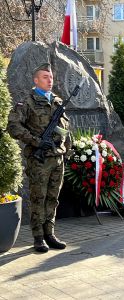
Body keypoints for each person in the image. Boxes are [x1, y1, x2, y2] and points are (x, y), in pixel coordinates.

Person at [7, 63, 71, 253]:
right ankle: (38, 238)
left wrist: (67, 150)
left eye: (50, 77)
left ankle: (50, 234)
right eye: (45, 77)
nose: (49, 80)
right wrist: (35, 141)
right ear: (36, 80)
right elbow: (13, 127)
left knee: (53, 198)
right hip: (39, 160)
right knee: (38, 198)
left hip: (57, 158)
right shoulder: (27, 102)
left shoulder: (58, 102)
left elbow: (66, 130)